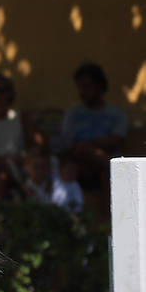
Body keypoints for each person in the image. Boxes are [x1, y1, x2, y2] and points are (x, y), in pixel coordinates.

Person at [53, 61, 128, 194]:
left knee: (108, 173)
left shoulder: (117, 114)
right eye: (80, 87)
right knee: (68, 169)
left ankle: (109, 215)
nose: (82, 91)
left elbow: (117, 141)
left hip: (107, 164)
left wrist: (89, 146)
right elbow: (67, 144)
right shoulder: (72, 114)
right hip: (79, 163)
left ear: (100, 86)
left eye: (87, 86)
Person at [0, 73, 35, 202]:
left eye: (0, 90)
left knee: (0, 177)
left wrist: (23, 159)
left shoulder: (21, 119)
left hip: (16, 169)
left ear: (10, 94)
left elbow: (36, 147)